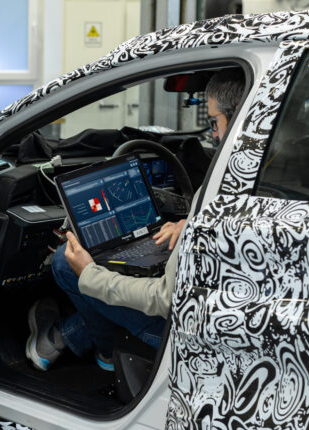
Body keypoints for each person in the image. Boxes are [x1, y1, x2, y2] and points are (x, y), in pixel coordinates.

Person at [26, 68, 246, 372]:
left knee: (67, 262)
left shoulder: (230, 189)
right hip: (221, 318)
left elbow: (165, 299)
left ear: (239, 119)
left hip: (182, 336)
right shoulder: (258, 174)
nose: (213, 135)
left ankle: (94, 348)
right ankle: (66, 336)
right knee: (133, 260)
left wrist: (89, 273)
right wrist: (189, 227)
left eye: (214, 123)